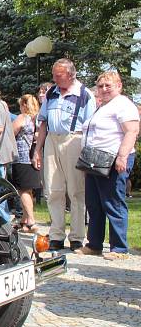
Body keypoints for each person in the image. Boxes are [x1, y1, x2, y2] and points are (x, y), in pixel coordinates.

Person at [74, 71, 139, 260]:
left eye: (108, 85)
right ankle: (94, 244)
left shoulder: (123, 105)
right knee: (94, 204)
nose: (103, 89)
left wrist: (122, 157)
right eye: (100, 85)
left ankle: (119, 248)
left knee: (113, 203)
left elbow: (131, 131)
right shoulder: (102, 106)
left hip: (113, 160)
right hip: (95, 161)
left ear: (119, 86)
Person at [32, 58, 96, 251]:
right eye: (54, 75)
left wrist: (87, 150)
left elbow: (90, 126)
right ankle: (56, 235)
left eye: (58, 75)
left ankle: (77, 236)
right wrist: (38, 150)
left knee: (77, 190)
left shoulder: (84, 94)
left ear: (70, 75)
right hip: (52, 138)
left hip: (74, 139)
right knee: (53, 189)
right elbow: (43, 122)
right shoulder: (51, 92)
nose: (54, 78)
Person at [12, 94, 43, 233]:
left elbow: (11, 133)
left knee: (23, 189)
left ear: (24, 104)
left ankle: (30, 220)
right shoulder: (37, 119)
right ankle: (24, 219)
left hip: (22, 157)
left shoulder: (22, 117)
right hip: (34, 157)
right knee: (28, 190)